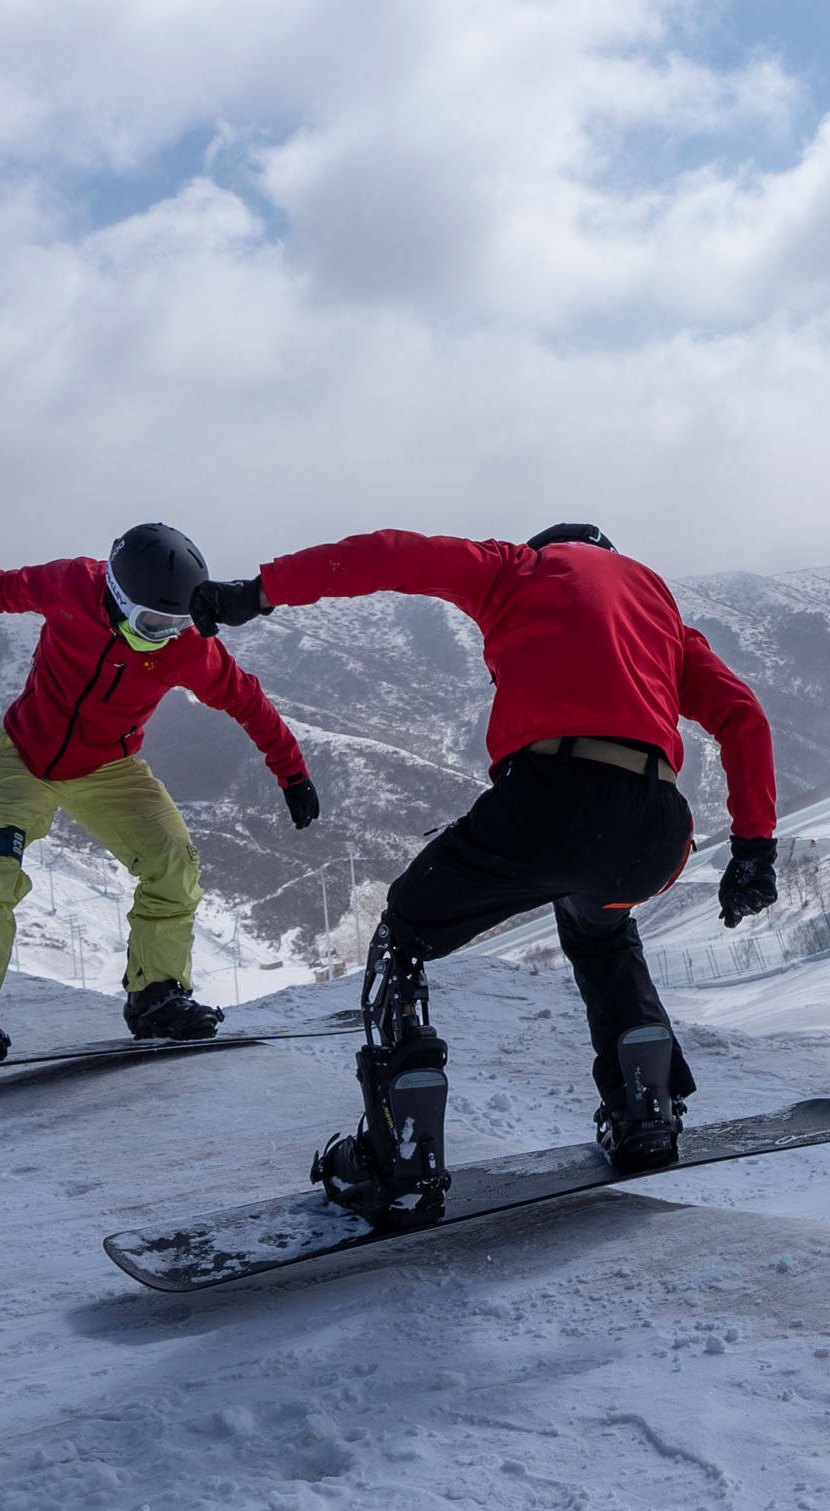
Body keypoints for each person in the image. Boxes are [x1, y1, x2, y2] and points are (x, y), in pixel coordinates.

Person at [190, 522, 776, 1219]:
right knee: (602, 930)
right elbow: (743, 716)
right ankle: (644, 1114)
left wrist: (259, 591)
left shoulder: (515, 569)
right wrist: (753, 850)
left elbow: (388, 556)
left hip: (548, 799)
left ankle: (398, 1161)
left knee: (403, 936)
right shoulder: (659, 613)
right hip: (655, 830)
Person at [0, 524, 321, 1065]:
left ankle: (158, 995)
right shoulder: (70, 585)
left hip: (107, 767)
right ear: (121, 598)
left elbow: (249, 702)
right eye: (154, 621)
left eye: (177, 623)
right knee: (1, 870)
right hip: (24, 756)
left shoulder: (188, 648)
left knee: (174, 862)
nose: (167, 634)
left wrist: (292, 775)